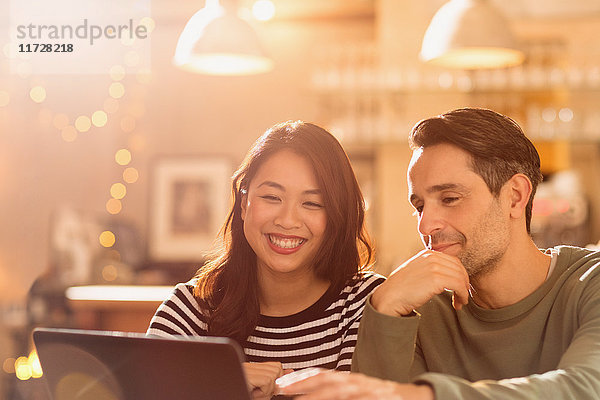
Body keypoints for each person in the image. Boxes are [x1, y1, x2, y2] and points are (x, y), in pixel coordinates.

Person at [277, 108, 600, 399]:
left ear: (515, 197)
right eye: (419, 206)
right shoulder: (417, 310)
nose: (427, 225)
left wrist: (419, 396)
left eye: (449, 198)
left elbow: (584, 387)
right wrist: (384, 310)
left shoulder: (590, 283)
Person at [147, 121, 385, 399]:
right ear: (244, 203)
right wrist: (222, 384)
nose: (287, 220)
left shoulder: (365, 304)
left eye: (312, 203)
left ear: (337, 217)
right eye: (272, 197)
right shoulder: (191, 309)